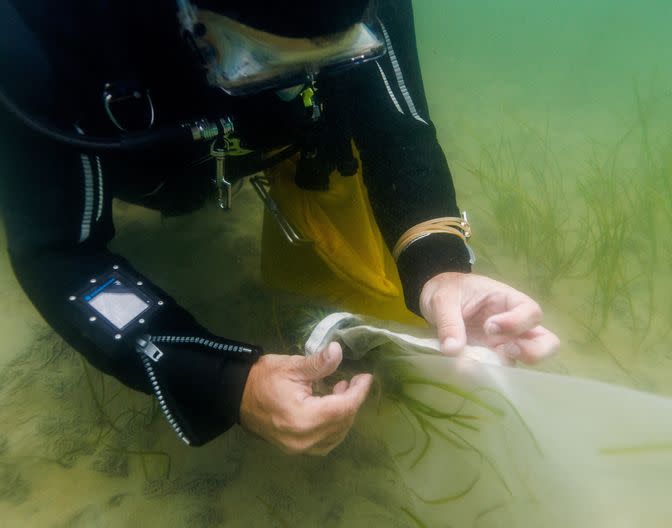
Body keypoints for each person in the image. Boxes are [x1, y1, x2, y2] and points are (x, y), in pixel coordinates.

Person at [0, 0, 559, 455]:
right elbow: (60, 254)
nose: (304, 76)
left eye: (341, 51)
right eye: (265, 58)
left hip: (293, 144)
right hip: (134, 147)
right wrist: (224, 380)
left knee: (410, 293)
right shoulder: (45, 31)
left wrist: (439, 268)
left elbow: (397, 125)